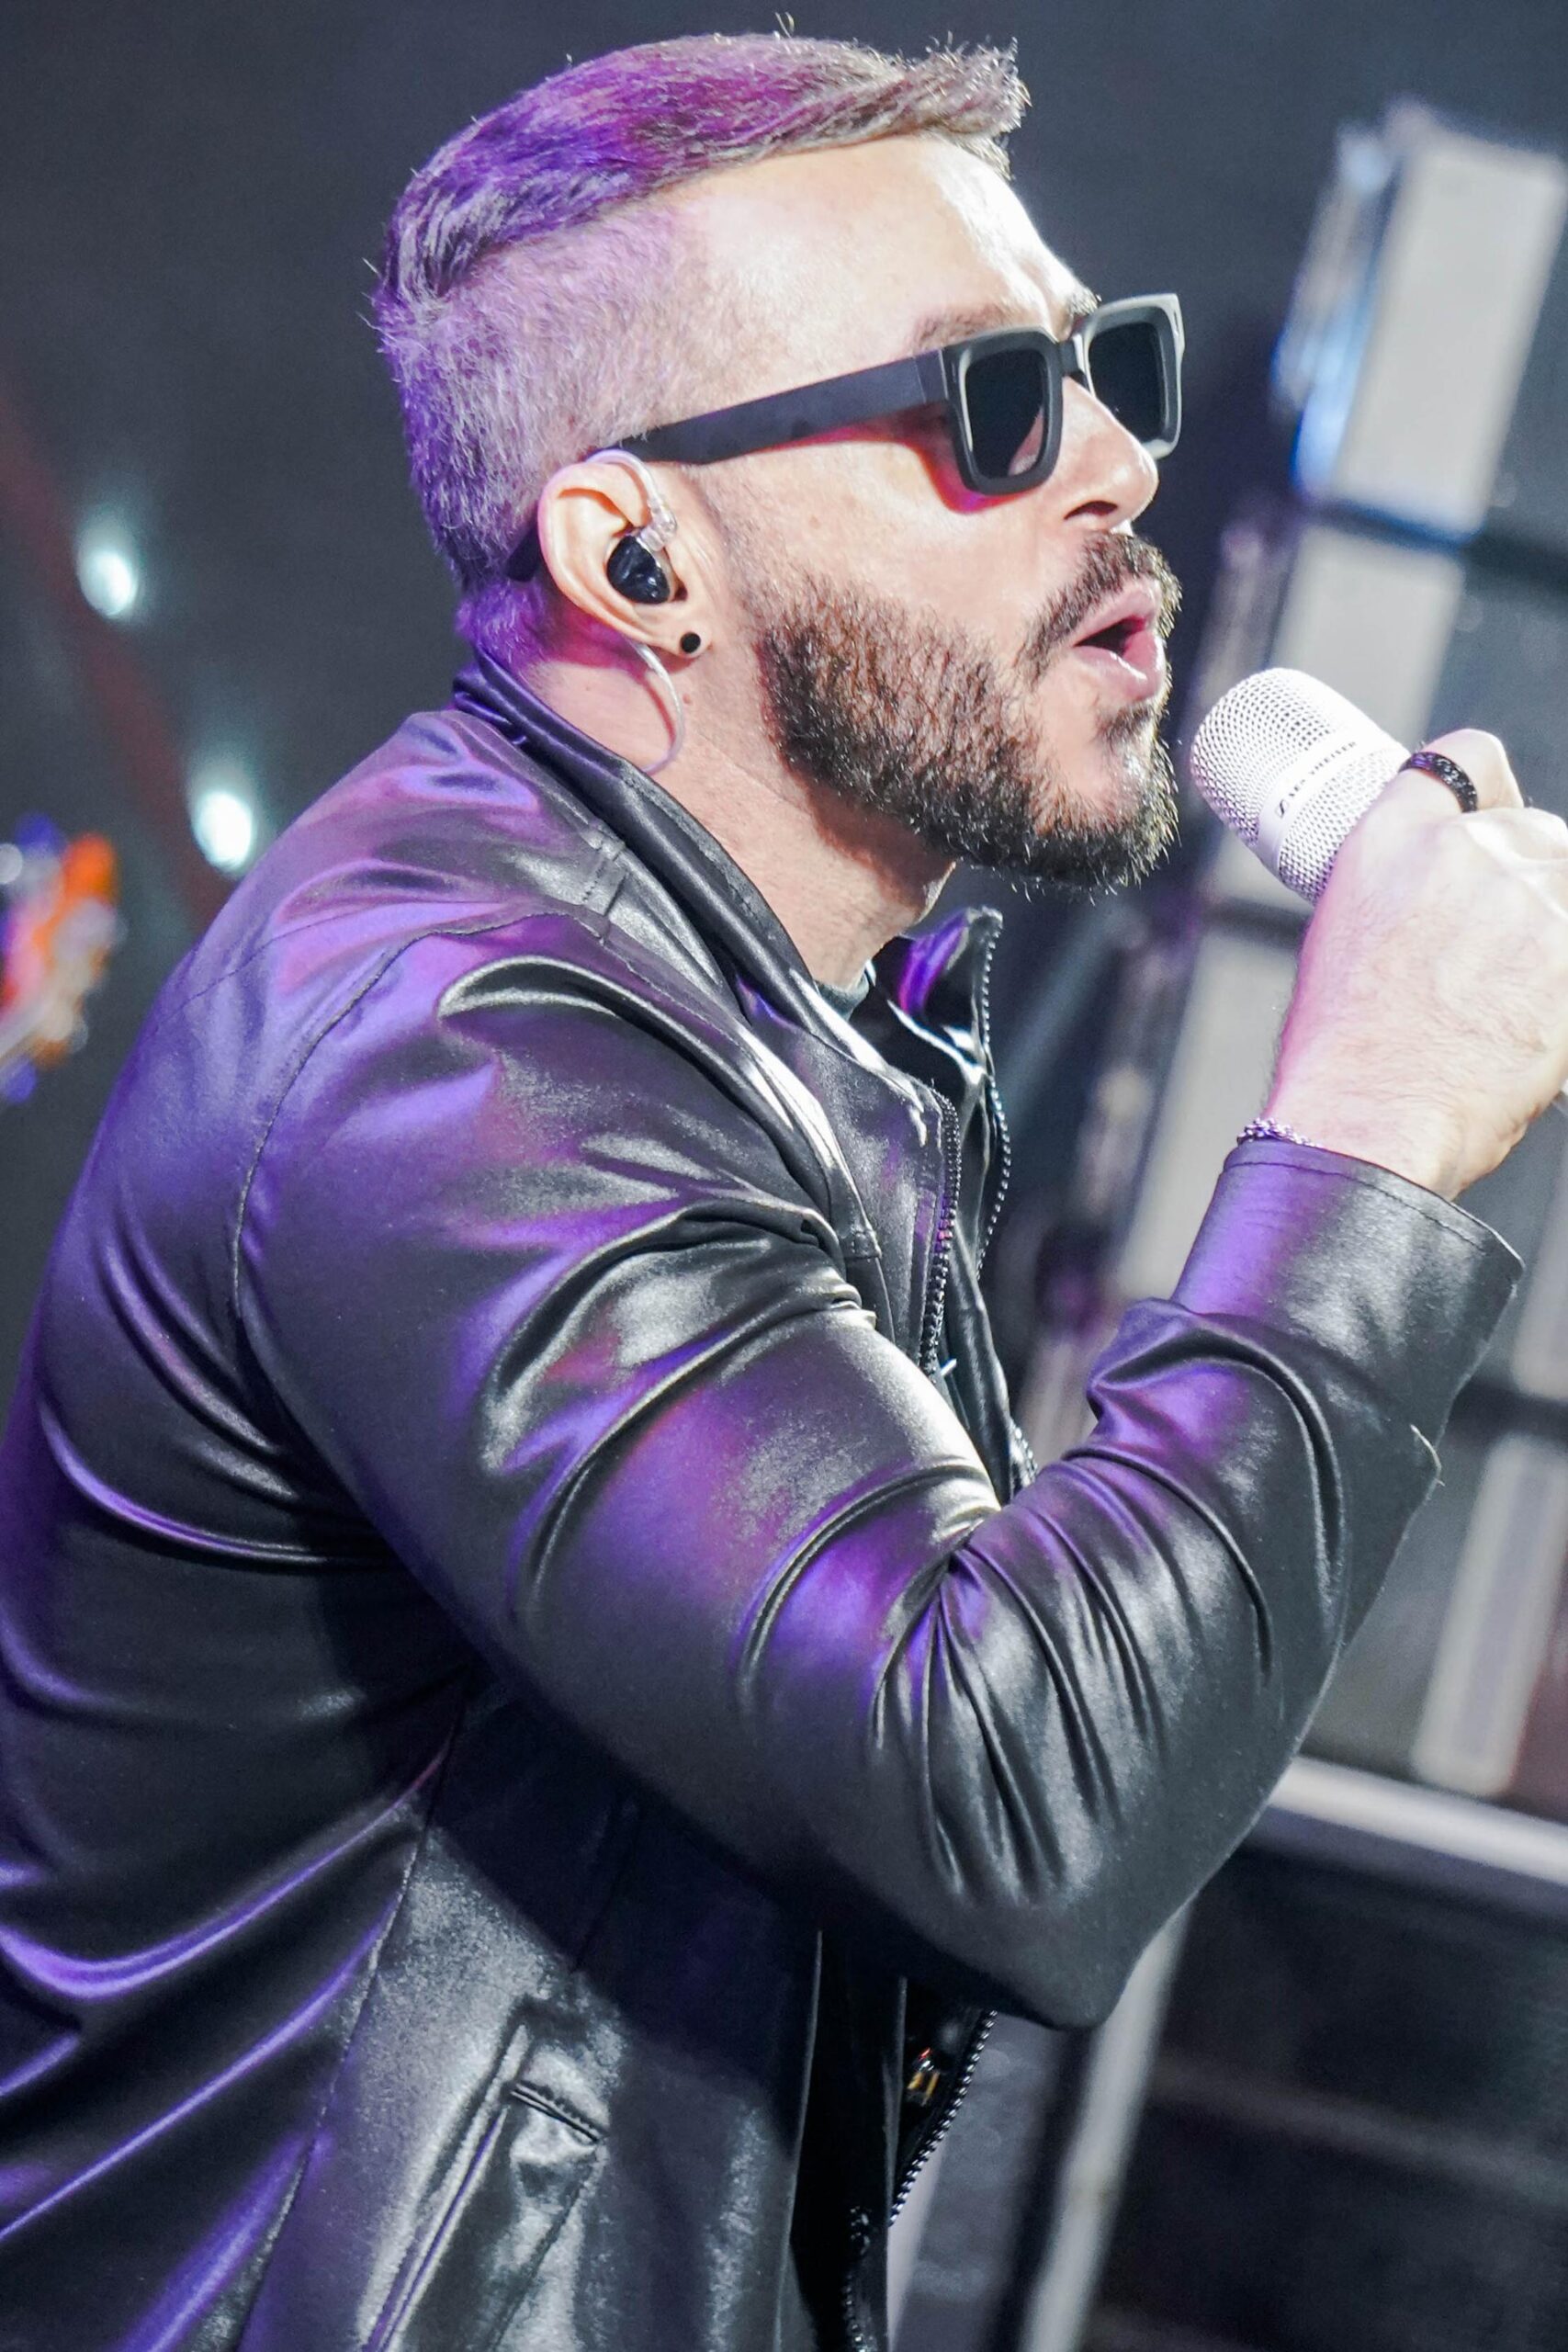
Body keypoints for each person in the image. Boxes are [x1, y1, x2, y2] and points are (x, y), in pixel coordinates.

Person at [2, 31, 1566, 2352]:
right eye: (988, 404)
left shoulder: (772, 1025)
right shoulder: (448, 1046)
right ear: (636, 553)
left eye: (1101, 370)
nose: (1120, 462)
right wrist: (1371, 1126)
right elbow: (1001, 1798)